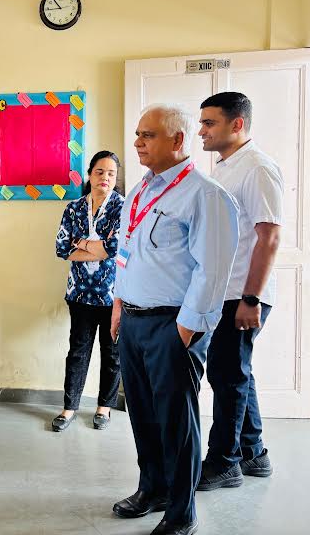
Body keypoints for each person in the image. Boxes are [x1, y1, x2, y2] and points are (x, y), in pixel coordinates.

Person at [110, 104, 239, 535]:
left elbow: (212, 271)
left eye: (147, 135)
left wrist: (185, 331)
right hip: (132, 320)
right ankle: (153, 489)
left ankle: (182, 512)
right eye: (138, 134)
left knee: (176, 422)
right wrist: (118, 303)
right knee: (142, 414)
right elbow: (126, 252)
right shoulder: (140, 191)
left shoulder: (204, 195)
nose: (137, 143)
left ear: (178, 140)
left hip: (172, 324)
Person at [196, 92, 283, 491]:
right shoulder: (226, 167)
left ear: (237, 124)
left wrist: (251, 299)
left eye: (209, 123)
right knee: (235, 372)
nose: (201, 131)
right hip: (227, 291)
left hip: (243, 294)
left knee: (227, 375)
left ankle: (224, 462)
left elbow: (269, 237)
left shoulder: (258, 168)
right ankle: (253, 452)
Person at [52, 151, 124, 432]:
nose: (105, 177)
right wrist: (96, 248)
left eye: (111, 174)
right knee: (77, 352)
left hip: (112, 294)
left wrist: (80, 243)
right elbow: (62, 249)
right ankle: (69, 408)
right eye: (100, 172)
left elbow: (114, 249)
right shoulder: (73, 208)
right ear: (90, 174)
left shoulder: (122, 207)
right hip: (79, 293)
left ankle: (104, 407)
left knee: (112, 353)